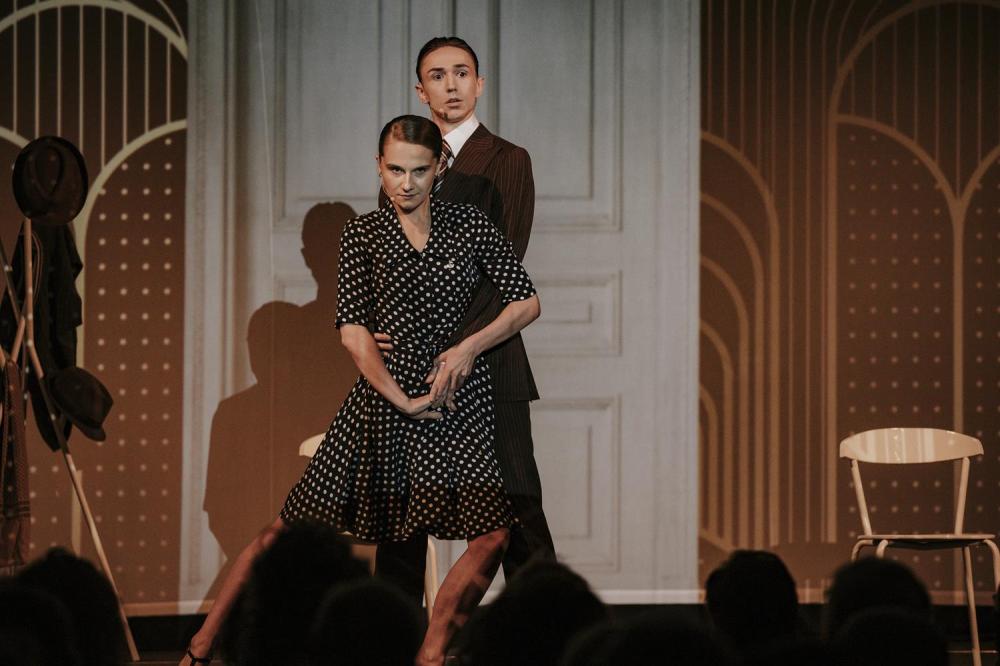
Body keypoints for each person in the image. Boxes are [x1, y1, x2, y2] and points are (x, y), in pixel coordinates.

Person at [182, 114, 541, 666]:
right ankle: (201, 646)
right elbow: (352, 331)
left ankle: (430, 655)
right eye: (395, 170)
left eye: (418, 170)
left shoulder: (469, 223)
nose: (406, 183)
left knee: (493, 534)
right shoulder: (363, 234)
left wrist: (470, 347)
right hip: (384, 402)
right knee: (285, 530)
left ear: (438, 168)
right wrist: (399, 399)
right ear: (379, 167)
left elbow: (525, 301)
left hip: (453, 397)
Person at [375, 34, 556, 606]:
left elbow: (504, 268)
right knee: (403, 517)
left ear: (479, 84)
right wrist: (385, 326)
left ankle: (552, 634)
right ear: (420, 89)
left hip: (488, 359)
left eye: (461, 73)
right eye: (437, 75)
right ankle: (393, 639)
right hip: (411, 368)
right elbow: (390, 261)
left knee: (516, 510)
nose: (450, 85)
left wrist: (458, 347)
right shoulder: (406, 162)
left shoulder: (507, 160)